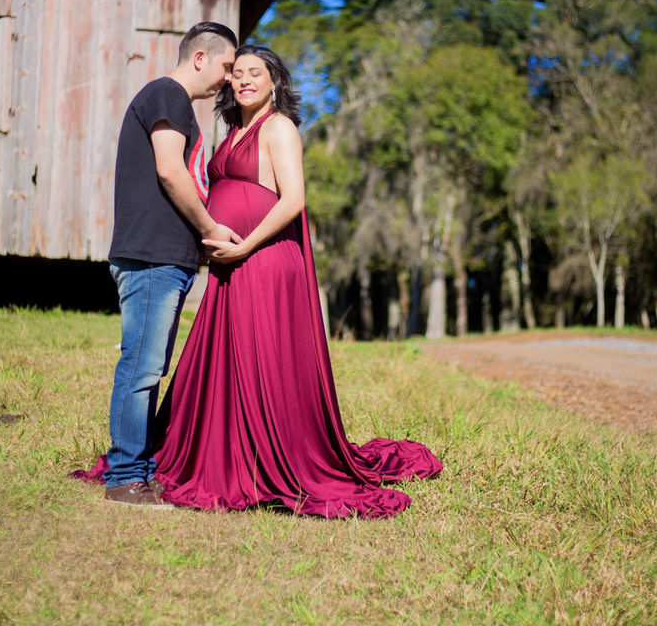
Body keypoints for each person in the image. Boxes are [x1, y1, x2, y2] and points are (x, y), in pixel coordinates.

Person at [78, 45, 441, 517]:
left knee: (261, 361)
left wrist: (244, 246)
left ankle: (262, 459)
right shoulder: (233, 131)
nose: (245, 80)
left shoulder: (280, 128)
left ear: (274, 82)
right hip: (231, 268)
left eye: (256, 73)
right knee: (227, 364)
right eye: (238, 73)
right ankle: (221, 455)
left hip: (264, 261)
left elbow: (293, 200)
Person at [100, 22, 240, 506]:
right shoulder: (168, 94)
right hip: (151, 257)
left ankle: (137, 468)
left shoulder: (177, 104)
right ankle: (124, 478)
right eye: (226, 66)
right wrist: (210, 227)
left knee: (148, 365)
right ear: (200, 57)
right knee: (141, 367)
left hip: (165, 257)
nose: (229, 78)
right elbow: (169, 169)